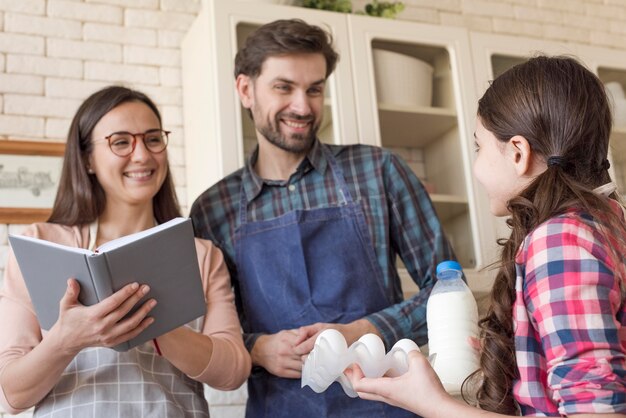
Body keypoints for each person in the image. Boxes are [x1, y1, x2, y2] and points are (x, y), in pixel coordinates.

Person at [189, 18, 456, 418]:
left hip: (386, 405)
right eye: (284, 87)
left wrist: (361, 332)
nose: (302, 106)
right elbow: (210, 338)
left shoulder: (378, 171)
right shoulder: (213, 209)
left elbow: (449, 290)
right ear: (245, 89)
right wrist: (257, 348)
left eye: (314, 89)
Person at [346, 56, 626, 417]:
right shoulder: (606, 222)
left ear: (518, 153)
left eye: (479, 147)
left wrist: (433, 405)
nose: (477, 167)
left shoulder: (559, 240)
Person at [0, 86, 251, 417]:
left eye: (153, 139)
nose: (142, 155)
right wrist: (66, 340)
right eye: (121, 142)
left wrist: (157, 327)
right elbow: (11, 394)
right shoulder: (40, 244)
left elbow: (233, 370)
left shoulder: (201, 254)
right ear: (88, 159)